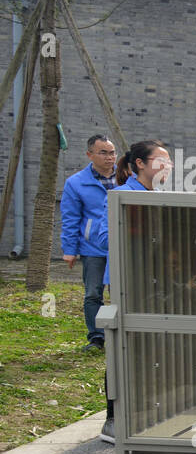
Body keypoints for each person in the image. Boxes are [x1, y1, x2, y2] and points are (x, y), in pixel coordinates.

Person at [98, 140, 173, 446]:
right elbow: (106, 238)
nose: (167, 167)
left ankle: (146, 412)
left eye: (169, 163)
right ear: (140, 164)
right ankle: (112, 419)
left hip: (155, 281)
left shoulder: (158, 197)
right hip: (128, 283)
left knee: (152, 348)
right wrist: (147, 230)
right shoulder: (121, 196)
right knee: (123, 348)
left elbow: (174, 234)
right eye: (161, 161)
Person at [60, 134, 117, 352]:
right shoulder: (76, 183)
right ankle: (96, 338)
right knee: (93, 293)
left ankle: (121, 335)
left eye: (112, 152)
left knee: (122, 292)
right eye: (103, 152)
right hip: (93, 248)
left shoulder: (125, 178)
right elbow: (71, 218)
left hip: (121, 245)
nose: (109, 157)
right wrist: (70, 250)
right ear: (89, 154)